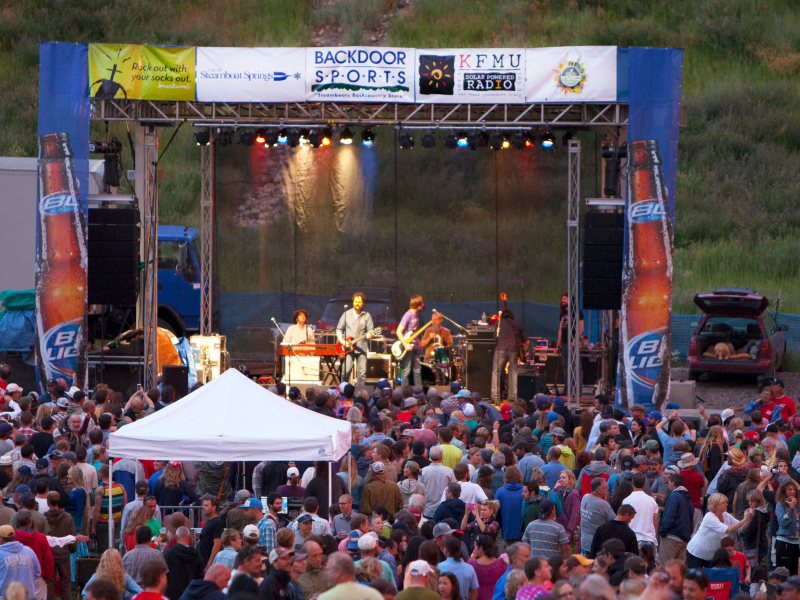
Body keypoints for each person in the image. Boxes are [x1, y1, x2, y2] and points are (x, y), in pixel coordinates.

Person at [686, 492, 754, 568]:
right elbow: (727, 530)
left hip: (710, 555)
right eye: (723, 503)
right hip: (696, 552)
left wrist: (749, 518)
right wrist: (744, 519)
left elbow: (741, 527)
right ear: (715, 505)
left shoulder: (726, 515)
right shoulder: (709, 517)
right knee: (696, 578)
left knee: (710, 578)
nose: (726, 504)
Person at [337, 293, 376, 386]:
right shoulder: (346, 314)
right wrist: (343, 342)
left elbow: (372, 331)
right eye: (355, 301)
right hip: (348, 348)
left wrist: (370, 335)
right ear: (353, 302)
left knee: (361, 374)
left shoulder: (367, 315)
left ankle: (360, 394)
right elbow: (338, 329)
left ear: (362, 303)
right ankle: (343, 391)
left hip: (361, 348)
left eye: (359, 302)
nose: (357, 303)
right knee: (345, 372)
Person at [43, 491, 76, 600]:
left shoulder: (44, 518)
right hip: (63, 554)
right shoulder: (67, 517)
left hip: (49, 554)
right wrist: (72, 549)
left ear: (47, 502)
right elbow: (73, 536)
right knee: (66, 582)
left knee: (50, 582)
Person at [491, 309, 527, 403]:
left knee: (496, 372)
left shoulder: (497, 324)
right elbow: (527, 341)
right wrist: (524, 352)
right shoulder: (517, 325)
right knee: (514, 372)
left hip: (500, 349)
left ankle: (496, 397)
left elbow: (495, 338)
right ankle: (514, 397)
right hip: (513, 350)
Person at [658, 473, 694, 563]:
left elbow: (670, 516)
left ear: (673, 484)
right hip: (684, 538)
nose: (668, 485)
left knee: (665, 567)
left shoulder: (674, 496)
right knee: (679, 571)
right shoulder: (688, 497)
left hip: (671, 538)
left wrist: (662, 531)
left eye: (669, 482)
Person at [318, 552, 384, 600]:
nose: (325, 573)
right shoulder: (375, 595)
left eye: (327, 569)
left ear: (338, 571)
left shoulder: (326, 598)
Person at [93, 464, 127, 555]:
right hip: (117, 523)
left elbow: (97, 510)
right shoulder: (121, 487)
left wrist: (93, 526)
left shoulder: (100, 489)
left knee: (103, 551)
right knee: (115, 549)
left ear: (100, 474)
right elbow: (125, 506)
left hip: (103, 524)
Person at [0, 523, 40, 599]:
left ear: (1, 538)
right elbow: (37, 573)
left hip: (5, 597)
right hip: (27, 596)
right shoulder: (29, 551)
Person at [164, 527, 204, 600]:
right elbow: (200, 577)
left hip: (172, 594)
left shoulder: (168, 554)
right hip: (191, 594)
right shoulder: (196, 555)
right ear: (189, 537)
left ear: (176, 537)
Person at [579, 478, 615, 558]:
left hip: (584, 545)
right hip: (596, 547)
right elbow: (615, 521)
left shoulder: (585, 497)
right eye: (605, 487)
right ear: (599, 490)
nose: (608, 488)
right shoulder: (603, 504)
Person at [555, 293, 583, 393]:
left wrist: (575, 340)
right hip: (564, 343)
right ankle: (567, 388)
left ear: (570, 300)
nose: (563, 300)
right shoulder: (563, 314)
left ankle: (578, 389)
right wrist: (557, 345)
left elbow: (581, 327)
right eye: (562, 299)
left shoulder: (577, 312)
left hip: (572, 343)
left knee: (575, 366)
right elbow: (560, 330)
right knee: (565, 367)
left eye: (565, 299)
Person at [621, 473, 658, 547]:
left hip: (633, 539)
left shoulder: (626, 501)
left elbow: (624, 521)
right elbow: (655, 522)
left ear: (632, 483)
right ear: (644, 484)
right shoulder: (652, 501)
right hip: (649, 539)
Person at [396, 296, 425, 387]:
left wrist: (419, 342)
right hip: (408, 346)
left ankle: (418, 392)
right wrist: (405, 345)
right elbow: (398, 331)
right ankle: (404, 392)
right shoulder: (408, 314)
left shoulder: (417, 315)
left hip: (415, 346)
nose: (423, 304)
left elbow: (415, 331)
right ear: (417, 303)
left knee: (417, 371)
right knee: (406, 371)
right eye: (422, 302)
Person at [419, 447, 455, 519]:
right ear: (441, 457)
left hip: (427, 510)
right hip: (443, 509)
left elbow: (419, 490)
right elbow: (453, 489)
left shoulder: (423, 471)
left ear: (430, 457)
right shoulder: (448, 471)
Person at [467, 535, 505, 600]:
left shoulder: (472, 564)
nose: (474, 549)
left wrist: (473, 555)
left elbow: (467, 569)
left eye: (475, 547)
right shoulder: (501, 564)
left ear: (481, 548)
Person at [775, 479, 800, 575]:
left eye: (794, 489)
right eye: (789, 489)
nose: (792, 491)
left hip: (795, 543)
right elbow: (782, 523)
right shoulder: (780, 505)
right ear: (784, 491)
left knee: (793, 573)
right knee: (784, 574)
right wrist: (791, 510)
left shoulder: (798, 506)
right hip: (784, 542)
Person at [494, 467, 524, 543]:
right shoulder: (525, 491)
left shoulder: (500, 491)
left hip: (507, 529)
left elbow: (495, 511)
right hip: (522, 531)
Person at [198, 497, 224, 571]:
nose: (203, 507)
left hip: (210, 563)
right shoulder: (209, 522)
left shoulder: (217, 523)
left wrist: (209, 564)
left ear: (214, 507)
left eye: (206, 505)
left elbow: (217, 545)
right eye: (203, 505)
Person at [553, 470, 579, 542]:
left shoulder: (574, 494)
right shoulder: (560, 492)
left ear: (570, 479)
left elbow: (575, 514)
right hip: (558, 526)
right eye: (560, 477)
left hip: (566, 527)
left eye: (563, 477)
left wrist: (569, 530)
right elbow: (550, 501)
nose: (561, 479)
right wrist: (555, 487)